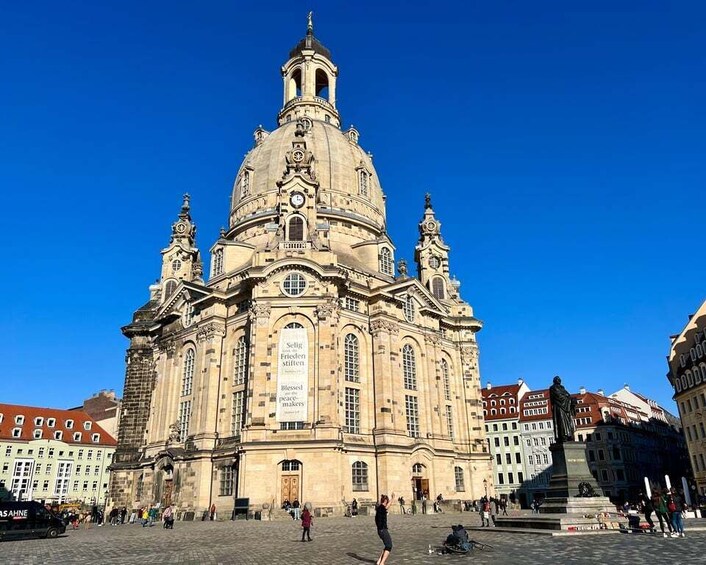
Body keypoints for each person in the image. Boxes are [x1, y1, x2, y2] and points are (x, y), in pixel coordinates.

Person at [549, 376, 578, 442]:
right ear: (555, 381)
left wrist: (571, 400)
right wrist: (568, 399)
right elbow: (558, 397)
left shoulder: (562, 388)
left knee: (568, 422)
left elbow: (568, 395)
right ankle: (563, 436)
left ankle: (569, 435)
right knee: (561, 422)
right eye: (558, 379)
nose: (559, 380)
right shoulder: (553, 388)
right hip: (559, 407)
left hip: (566, 408)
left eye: (560, 379)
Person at [375, 493, 394, 565]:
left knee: (386, 545)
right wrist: (393, 498)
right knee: (389, 546)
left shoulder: (379, 508)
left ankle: (379, 561)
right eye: (387, 501)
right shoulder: (382, 508)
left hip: (380, 530)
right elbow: (387, 506)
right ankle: (382, 563)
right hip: (383, 530)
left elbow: (386, 507)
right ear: (385, 501)